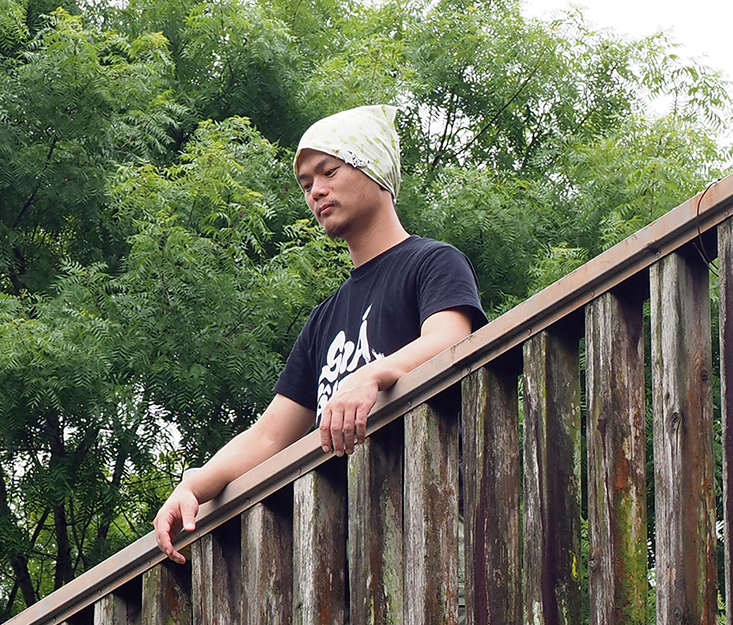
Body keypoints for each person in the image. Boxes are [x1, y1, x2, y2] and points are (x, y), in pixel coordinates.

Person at [154, 104, 487, 564]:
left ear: (374, 168)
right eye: (306, 184)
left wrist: (371, 375)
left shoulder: (433, 262)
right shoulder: (324, 318)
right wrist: (192, 486)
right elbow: (270, 436)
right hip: (347, 549)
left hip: (436, 527)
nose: (316, 191)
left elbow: (450, 340)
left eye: (329, 171)